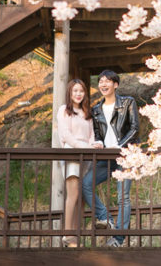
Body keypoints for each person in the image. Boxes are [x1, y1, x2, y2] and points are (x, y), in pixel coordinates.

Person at [81, 69, 139, 247]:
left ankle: (118, 239)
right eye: (100, 81)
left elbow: (135, 128)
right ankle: (105, 218)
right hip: (106, 157)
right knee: (86, 184)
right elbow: (98, 133)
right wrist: (98, 142)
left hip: (126, 154)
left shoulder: (128, 103)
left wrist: (120, 145)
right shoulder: (96, 109)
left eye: (107, 81)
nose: (103, 84)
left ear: (116, 84)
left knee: (123, 196)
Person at [57, 79, 103, 247]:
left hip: (86, 157)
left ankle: (76, 236)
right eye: (75, 91)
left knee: (82, 196)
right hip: (72, 154)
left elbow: (91, 135)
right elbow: (66, 135)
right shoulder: (64, 110)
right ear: (70, 93)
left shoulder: (86, 112)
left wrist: (95, 144)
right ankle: (68, 236)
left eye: (81, 91)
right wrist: (85, 146)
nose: (78, 94)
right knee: (73, 194)